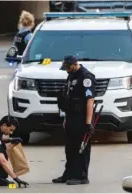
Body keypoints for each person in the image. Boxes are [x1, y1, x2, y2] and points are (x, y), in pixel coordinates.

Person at [54, 55, 96, 185]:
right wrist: (66, 118)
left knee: (81, 147)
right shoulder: (71, 75)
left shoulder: (86, 77)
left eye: (68, 67)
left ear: (75, 64)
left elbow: (90, 100)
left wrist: (88, 123)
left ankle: (82, 176)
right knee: (70, 147)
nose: (67, 70)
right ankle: (69, 174)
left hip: (82, 117)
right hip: (71, 115)